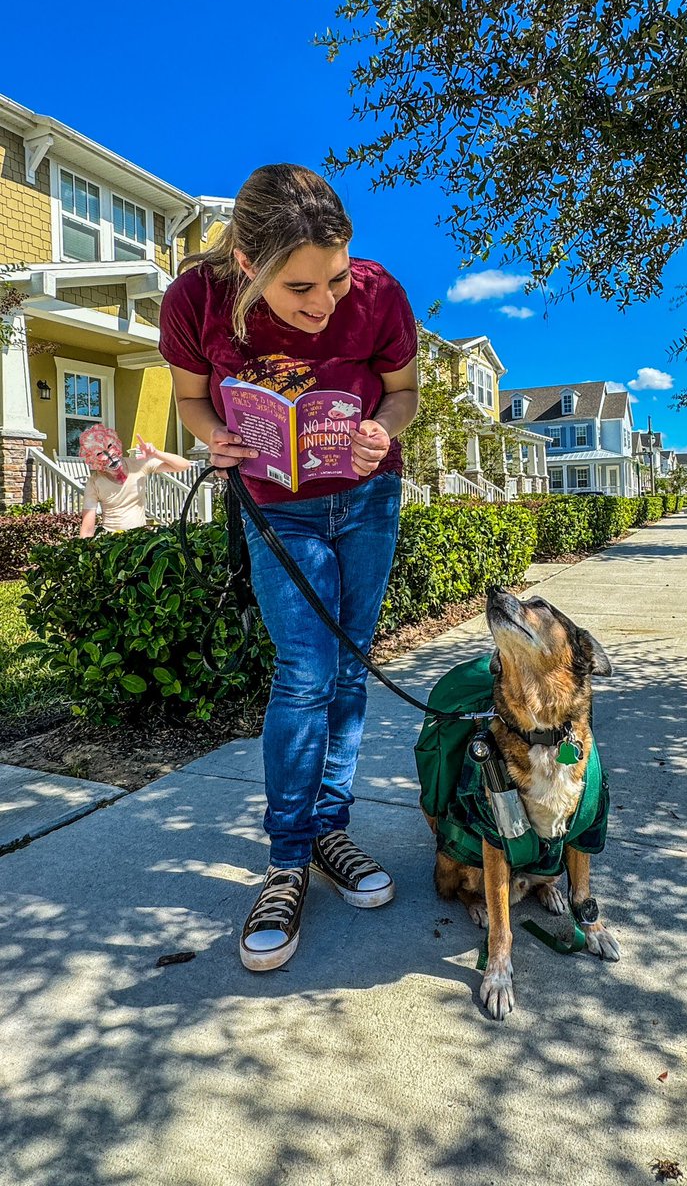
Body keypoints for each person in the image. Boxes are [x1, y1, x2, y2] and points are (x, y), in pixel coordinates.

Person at [158, 164, 419, 973]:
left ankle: (330, 832)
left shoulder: (379, 294)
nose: (324, 303)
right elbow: (192, 401)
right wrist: (216, 439)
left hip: (367, 499)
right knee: (304, 670)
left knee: (347, 671)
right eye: (300, 288)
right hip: (278, 505)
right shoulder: (193, 302)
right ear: (247, 264)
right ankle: (285, 860)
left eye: (336, 279)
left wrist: (382, 427)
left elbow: (403, 390)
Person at [78, 425, 191, 538]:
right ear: (92, 459)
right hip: (112, 542)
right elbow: (87, 530)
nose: (108, 455)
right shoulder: (94, 482)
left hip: (140, 538)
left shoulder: (137, 465)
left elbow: (184, 465)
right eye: (99, 453)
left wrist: (156, 453)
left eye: (109, 446)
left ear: (116, 444)